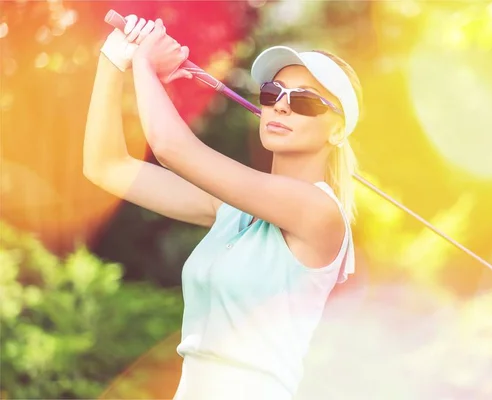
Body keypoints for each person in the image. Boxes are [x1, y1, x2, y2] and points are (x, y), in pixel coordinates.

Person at [84, 14, 363, 400]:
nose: (281, 107)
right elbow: (106, 167)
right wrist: (115, 59)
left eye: (304, 102)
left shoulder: (318, 211)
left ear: (337, 129)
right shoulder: (231, 208)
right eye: (272, 93)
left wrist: (145, 64)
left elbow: (171, 148)